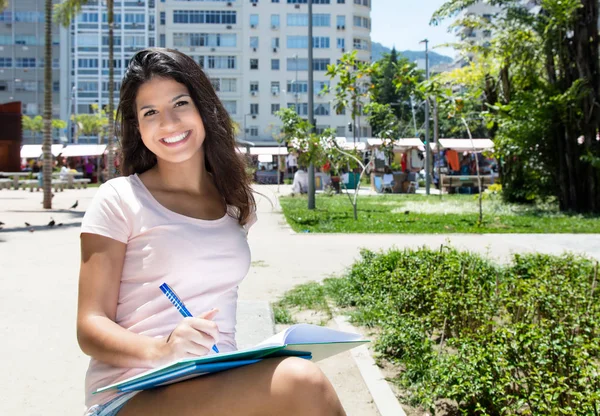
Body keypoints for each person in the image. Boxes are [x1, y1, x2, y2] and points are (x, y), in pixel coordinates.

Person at [79, 48, 345, 416]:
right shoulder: (120, 198)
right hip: (132, 394)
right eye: (150, 112)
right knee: (302, 380)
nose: (169, 123)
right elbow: (89, 326)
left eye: (180, 103)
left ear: (204, 108)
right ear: (137, 126)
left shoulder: (233, 201)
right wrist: (162, 349)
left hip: (215, 380)